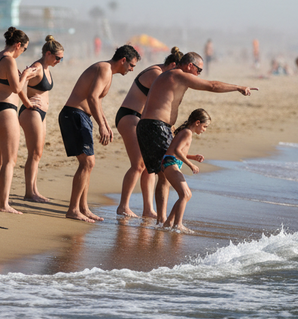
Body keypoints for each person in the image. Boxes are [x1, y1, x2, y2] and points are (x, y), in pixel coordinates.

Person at [136, 52, 257, 223]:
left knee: (163, 173)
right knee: (167, 170)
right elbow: (212, 85)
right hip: (155, 126)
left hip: (150, 126)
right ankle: (167, 221)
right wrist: (237, 87)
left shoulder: (168, 75)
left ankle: (163, 220)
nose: (199, 75)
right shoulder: (178, 74)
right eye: (198, 70)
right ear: (190, 66)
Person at [59, 45, 140, 222]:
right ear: (123, 60)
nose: (132, 70)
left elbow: (97, 101)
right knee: (87, 162)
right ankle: (73, 209)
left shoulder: (108, 72)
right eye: (132, 65)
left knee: (88, 163)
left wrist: (106, 123)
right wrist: (101, 125)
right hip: (74, 115)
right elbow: (92, 97)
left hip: (82, 116)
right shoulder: (104, 68)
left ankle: (83, 208)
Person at [115, 47, 182, 218]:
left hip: (142, 119)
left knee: (149, 167)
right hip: (130, 116)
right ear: (173, 64)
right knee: (138, 165)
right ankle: (123, 206)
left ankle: (148, 209)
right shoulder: (156, 74)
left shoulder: (163, 73)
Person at [0, 28, 41, 214]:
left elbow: (7, 86)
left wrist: (27, 103)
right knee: (9, 161)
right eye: (23, 49)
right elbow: (16, 87)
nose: (22, 52)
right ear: (18, 45)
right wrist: (26, 75)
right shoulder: (9, 60)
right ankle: (4, 204)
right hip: (5, 112)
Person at [18, 35, 64, 202]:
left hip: (40, 113)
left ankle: (34, 190)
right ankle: (29, 193)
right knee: (34, 153)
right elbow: (18, 85)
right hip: (31, 112)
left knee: (38, 154)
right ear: (48, 54)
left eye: (61, 59)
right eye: (58, 58)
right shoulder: (36, 68)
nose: (59, 61)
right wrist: (26, 102)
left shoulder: (46, 68)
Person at [161, 108, 211, 233]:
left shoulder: (186, 132)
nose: (204, 130)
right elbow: (177, 151)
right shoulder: (187, 132)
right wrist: (191, 165)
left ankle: (169, 222)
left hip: (171, 162)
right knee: (184, 194)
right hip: (170, 162)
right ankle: (177, 224)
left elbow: (179, 151)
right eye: (205, 126)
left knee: (186, 195)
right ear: (197, 122)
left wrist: (193, 157)